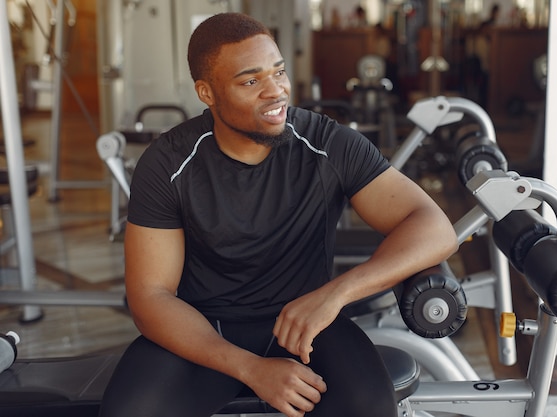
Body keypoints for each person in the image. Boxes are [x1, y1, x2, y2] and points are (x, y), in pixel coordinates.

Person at [99, 12, 458, 417]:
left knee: (369, 408)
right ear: (207, 92)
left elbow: (434, 228)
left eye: (279, 72)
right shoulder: (168, 163)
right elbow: (150, 296)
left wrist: (335, 294)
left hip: (309, 325)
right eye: (251, 81)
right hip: (203, 330)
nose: (275, 92)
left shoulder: (327, 143)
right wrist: (253, 369)